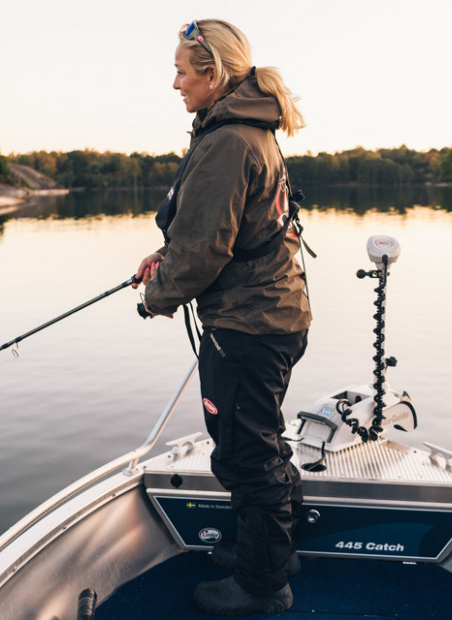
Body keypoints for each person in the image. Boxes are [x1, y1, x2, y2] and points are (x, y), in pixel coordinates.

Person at [133, 19, 312, 615]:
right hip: (274, 315)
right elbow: (221, 231)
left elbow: (205, 251)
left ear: (212, 74)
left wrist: (155, 298)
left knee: (242, 453)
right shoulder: (245, 132)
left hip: (249, 324)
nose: (175, 83)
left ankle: (262, 587)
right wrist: (163, 258)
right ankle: (271, 552)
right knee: (258, 440)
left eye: (183, 71)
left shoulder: (229, 140)